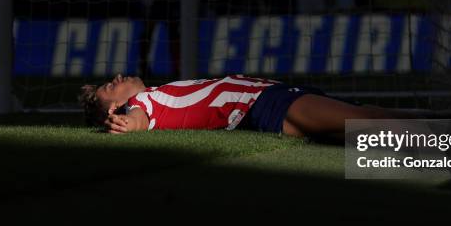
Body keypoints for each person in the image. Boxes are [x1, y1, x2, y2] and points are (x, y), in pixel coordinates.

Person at [78, 74, 427, 139]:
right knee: (366, 119)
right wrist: (128, 125)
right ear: (114, 110)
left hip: (268, 98)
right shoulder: (142, 102)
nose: (119, 77)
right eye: (111, 85)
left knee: (361, 127)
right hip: (261, 103)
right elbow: (139, 120)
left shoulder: (156, 92)